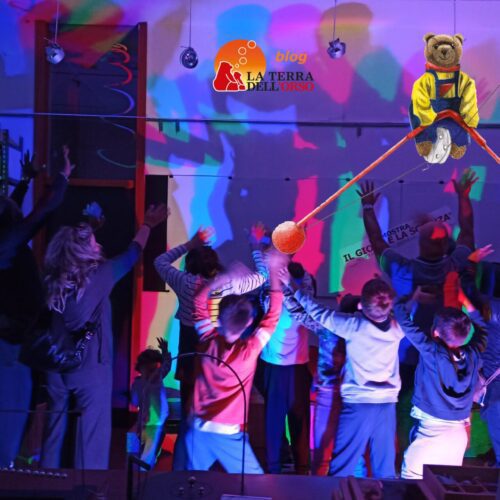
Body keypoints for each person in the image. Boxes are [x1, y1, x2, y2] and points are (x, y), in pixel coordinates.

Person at [357, 170, 477, 460]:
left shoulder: (404, 269)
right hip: (449, 355)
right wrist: (463, 196)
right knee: (451, 410)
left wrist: (368, 206)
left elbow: (377, 242)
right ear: (446, 245)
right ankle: (447, 463)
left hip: (409, 356)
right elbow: (467, 230)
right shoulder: (456, 264)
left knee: (404, 410)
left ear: (420, 244)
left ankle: (406, 460)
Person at [40, 203, 169, 469]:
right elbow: (133, 253)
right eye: (93, 242)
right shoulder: (100, 276)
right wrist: (147, 225)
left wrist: (90, 225)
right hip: (89, 368)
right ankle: (88, 484)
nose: (98, 245)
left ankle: (49, 480)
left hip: (54, 363)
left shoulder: (52, 277)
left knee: (54, 429)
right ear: (85, 251)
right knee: (92, 433)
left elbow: (76, 245)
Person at [153, 223, 268, 469]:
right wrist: (256, 245)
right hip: (220, 346)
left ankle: (186, 465)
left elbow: (159, 262)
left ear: (190, 265)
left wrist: (190, 244)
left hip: (191, 346)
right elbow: (263, 276)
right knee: (222, 402)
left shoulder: (185, 282)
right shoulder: (230, 284)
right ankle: (216, 459)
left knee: (190, 411)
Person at [289, 277, 404, 478]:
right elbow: (407, 312)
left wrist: (289, 284)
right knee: (384, 468)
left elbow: (313, 312)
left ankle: (334, 489)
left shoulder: (350, 325)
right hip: (386, 404)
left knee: (339, 463)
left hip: (354, 402)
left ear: (361, 307)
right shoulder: (397, 327)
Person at [184, 250, 285, 473]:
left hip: (197, 430)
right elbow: (274, 314)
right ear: (249, 322)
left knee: (191, 485)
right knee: (255, 485)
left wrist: (224, 278)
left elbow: (198, 301)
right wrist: (274, 269)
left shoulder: (207, 341)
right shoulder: (250, 351)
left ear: (218, 318)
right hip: (228, 435)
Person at [0, 148, 70, 468]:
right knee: (10, 420)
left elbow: (13, 211)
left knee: (17, 413)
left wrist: (26, 179)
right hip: (8, 351)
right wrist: (63, 176)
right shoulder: (7, 245)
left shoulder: (6, 243)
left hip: (14, 345)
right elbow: (41, 212)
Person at [393, 288, 486, 479]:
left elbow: (401, 316)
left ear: (435, 332)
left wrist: (413, 296)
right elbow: (483, 330)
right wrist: (466, 303)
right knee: (442, 488)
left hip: (430, 435)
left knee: (411, 487)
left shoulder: (432, 352)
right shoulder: (473, 354)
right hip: (457, 439)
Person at [259, 260, 314, 475]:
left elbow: (267, 281)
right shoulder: (303, 294)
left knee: (279, 422)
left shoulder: (274, 296)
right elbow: (305, 282)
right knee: (292, 421)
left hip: (283, 368)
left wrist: (261, 250)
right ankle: (295, 467)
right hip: (289, 368)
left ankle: (282, 466)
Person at [130, 338, 172, 469]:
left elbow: (166, 366)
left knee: (147, 453)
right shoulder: (139, 383)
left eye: (153, 368)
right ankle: (134, 469)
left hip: (154, 423)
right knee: (134, 443)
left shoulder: (156, 378)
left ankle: (143, 472)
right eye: (148, 367)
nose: (150, 371)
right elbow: (135, 401)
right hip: (144, 422)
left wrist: (165, 351)